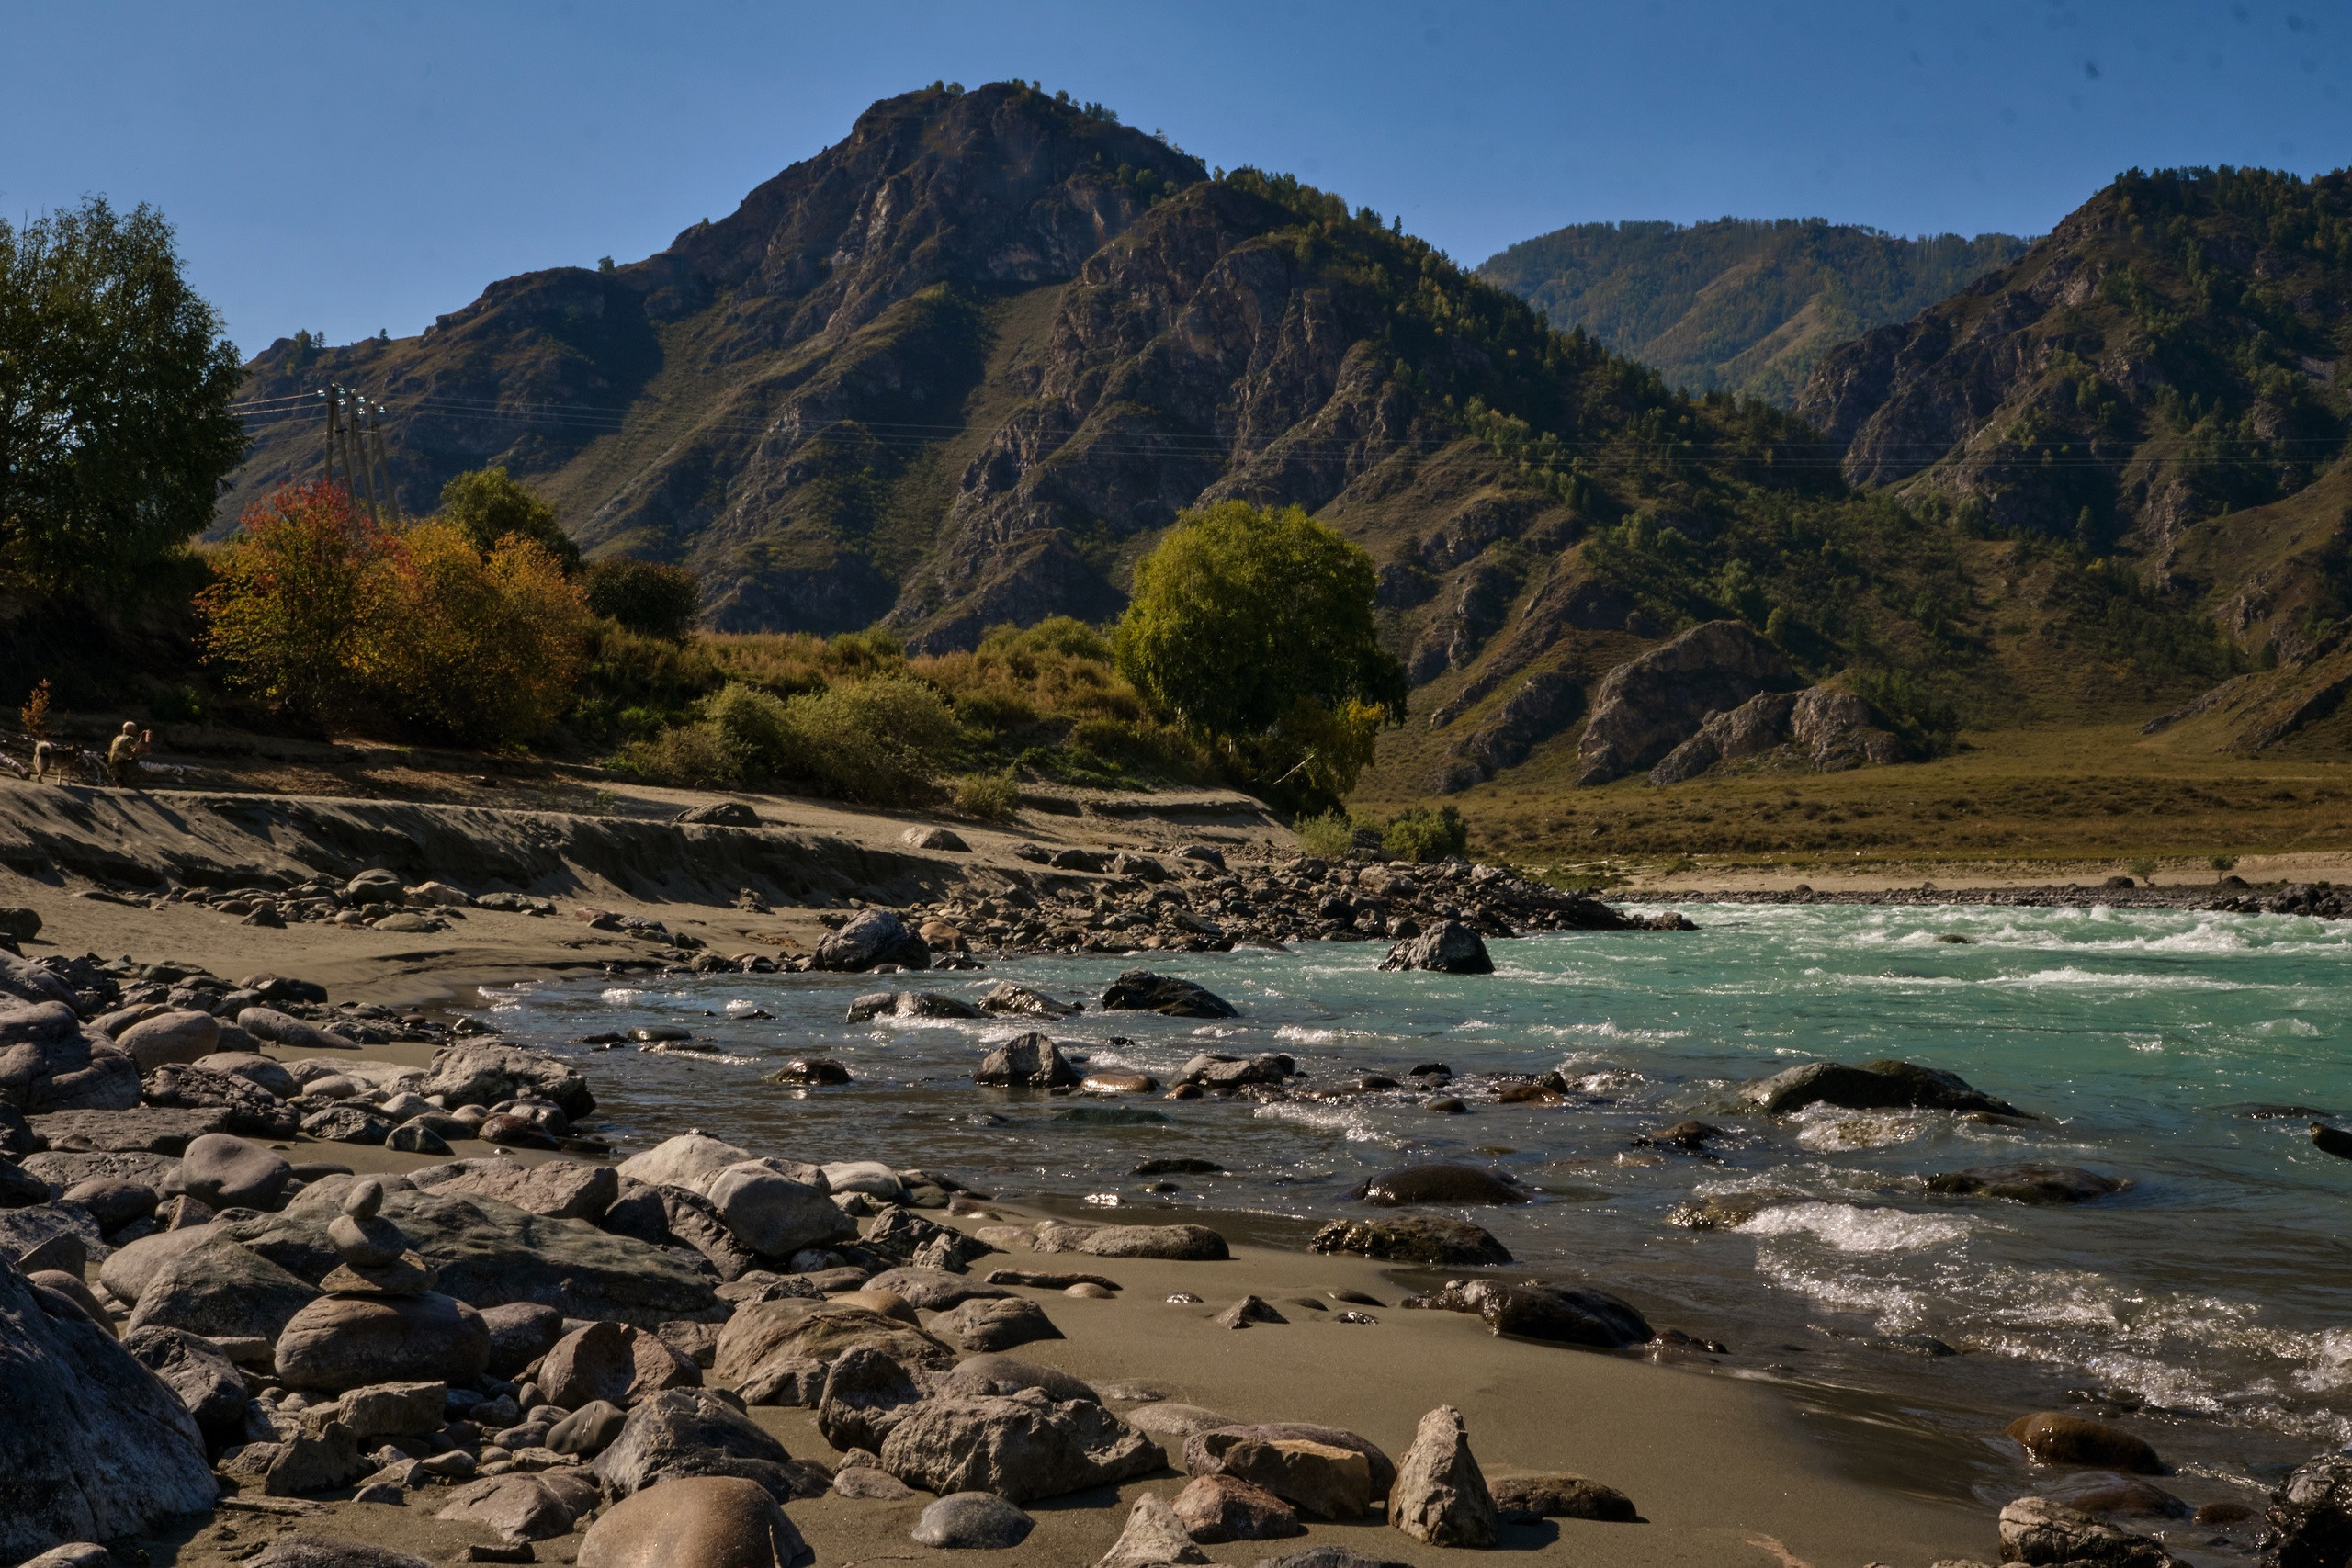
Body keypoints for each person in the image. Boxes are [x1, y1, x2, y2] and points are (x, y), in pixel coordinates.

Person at [107, 722, 149, 787]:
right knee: (145, 772)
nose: (136, 731)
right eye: (135, 729)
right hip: (120, 766)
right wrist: (147, 738)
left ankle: (122, 785)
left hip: (112, 767)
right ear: (130, 729)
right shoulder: (129, 738)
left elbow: (134, 752)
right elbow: (145, 749)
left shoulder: (118, 738)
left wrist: (142, 738)